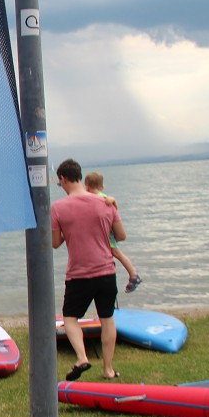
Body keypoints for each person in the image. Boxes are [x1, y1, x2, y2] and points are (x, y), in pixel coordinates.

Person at [51, 159, 127, 381]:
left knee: (70, 317)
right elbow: (121, 236)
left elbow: (55, 243)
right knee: (107, 318)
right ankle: (108, 369)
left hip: (79, 274)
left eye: (59, 183)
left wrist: (69, 230)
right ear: (79, 176)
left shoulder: (58, 208)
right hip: (106, 271)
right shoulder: (106, 203)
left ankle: (83, 357)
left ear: (63, 179)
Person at [84, 171, 141, 293]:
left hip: (107, 233)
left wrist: (111, 199)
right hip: (107, 231)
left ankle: (134, 275)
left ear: (87, 187)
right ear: (102, 186)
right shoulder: (103, 197)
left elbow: (111, 206)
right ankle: (133, 275)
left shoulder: (99, 198)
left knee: (117, 252)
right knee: (116, 253)